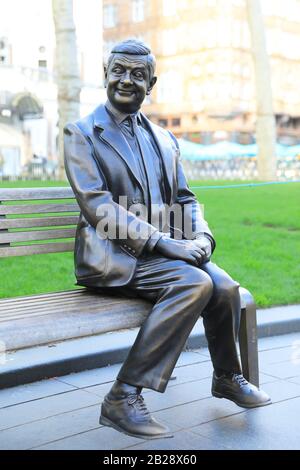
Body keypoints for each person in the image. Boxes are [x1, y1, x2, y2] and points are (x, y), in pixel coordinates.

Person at [64, 39, 271, 440]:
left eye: (137, 75)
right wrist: (163, 242)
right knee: (194, 282)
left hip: (160, 253)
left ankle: (227, 377)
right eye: (119, 71)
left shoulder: (164, 139)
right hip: (111, 256)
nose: (126, 80)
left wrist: (202, 233)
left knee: (225, 287)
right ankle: (122, 397)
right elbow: (97, 206)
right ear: (104, 76)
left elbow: (185, 199)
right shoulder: (82, 133)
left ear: (151, 83)